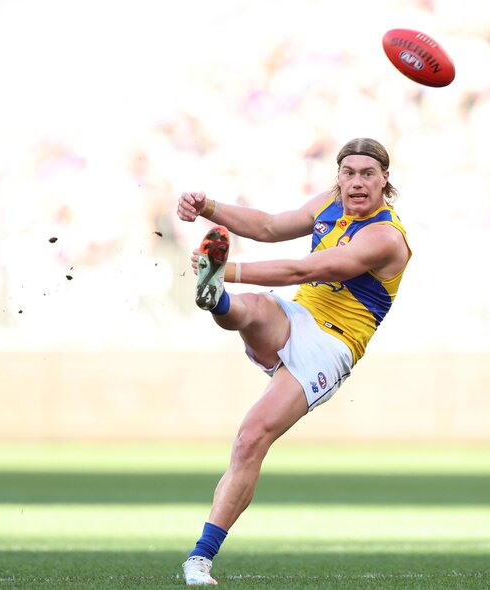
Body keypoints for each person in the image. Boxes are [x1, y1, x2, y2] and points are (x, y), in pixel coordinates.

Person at [175, 137, 411, 586]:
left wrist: (228, 268)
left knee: (251, 438)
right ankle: (216, 296)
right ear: (338, 176)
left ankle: (200, 558)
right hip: (298, 316)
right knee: (253, 307)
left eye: (367, 174)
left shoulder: (384, 236)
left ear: (385, 179)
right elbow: (267, 226)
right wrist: (208, 207)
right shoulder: (328, 203)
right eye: (348, 173)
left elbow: (307, 270)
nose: (357, 183)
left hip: (333, 345)